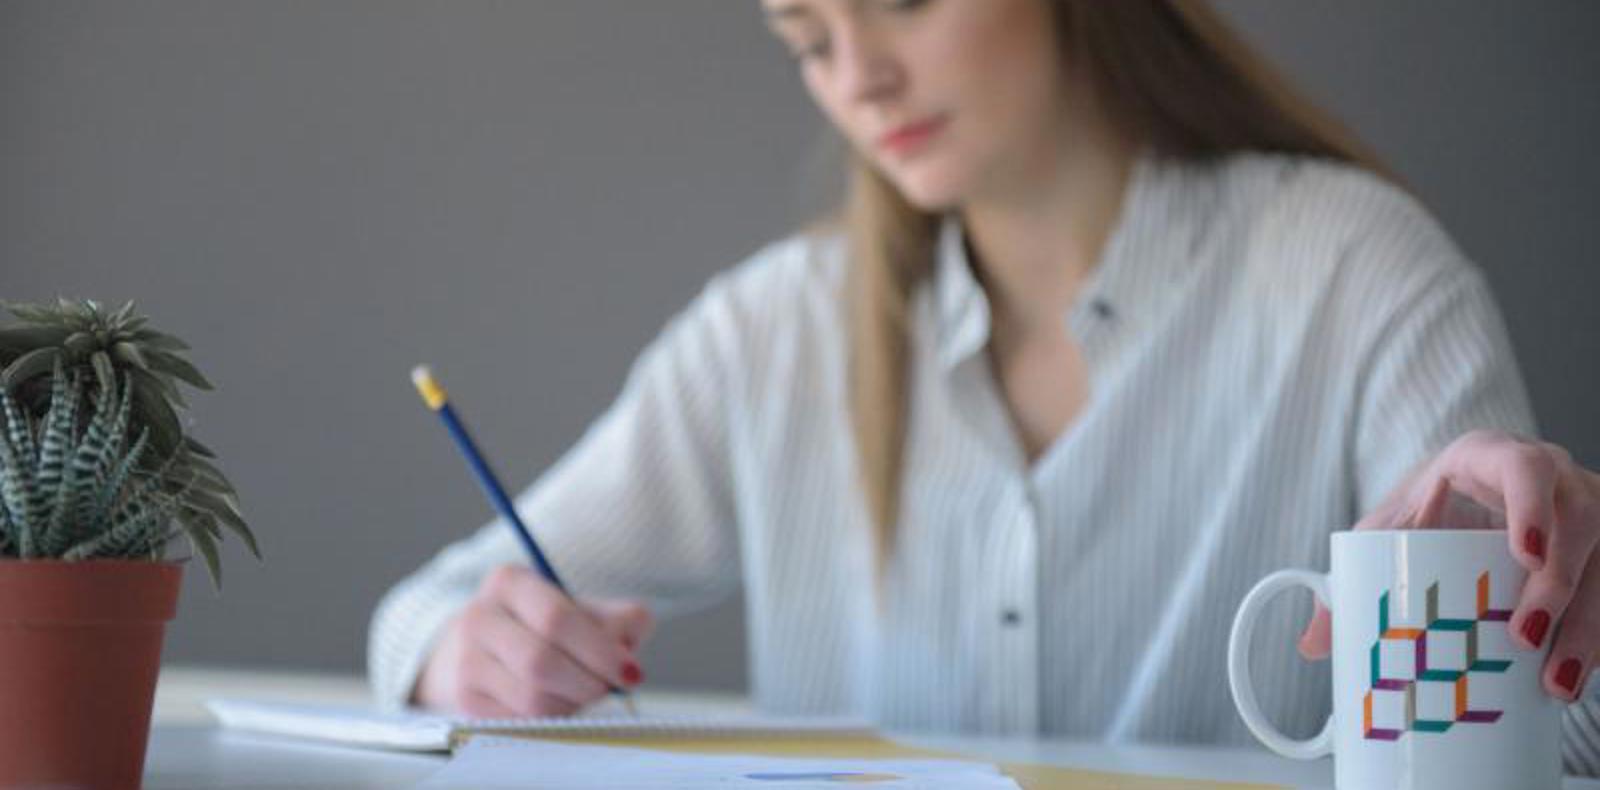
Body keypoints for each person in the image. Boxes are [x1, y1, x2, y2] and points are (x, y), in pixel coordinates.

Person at [369, 0, 1600, 772]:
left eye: (901, 4)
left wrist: (1570, 608)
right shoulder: (774, 331)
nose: (858, 76)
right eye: (807, 38)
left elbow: (1544, 743)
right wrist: (462, 653)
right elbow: (421, 612)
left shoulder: (1356, 271)